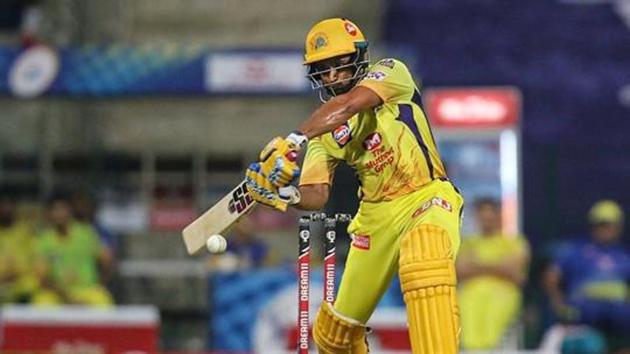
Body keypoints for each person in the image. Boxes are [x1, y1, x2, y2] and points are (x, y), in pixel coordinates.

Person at [244, 18, 464, 353]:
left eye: (338, 64)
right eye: (323, 69)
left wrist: (293, 140)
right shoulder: (322, 132)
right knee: (334, 336)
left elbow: (347, 106)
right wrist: (283, 193)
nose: (332, 76)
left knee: (426, 253)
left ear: (358, 57)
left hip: (426, 195)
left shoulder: (391, 72)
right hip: (375, 218)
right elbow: (316, 195)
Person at [543, 200, 629, 351]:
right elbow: (552, 275)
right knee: (589, 345)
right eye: (601, 224)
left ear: (618, 227)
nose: (606, 229)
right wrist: (558, 302)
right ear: (593, 226)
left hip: (619, 317)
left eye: (610, 224)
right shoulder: (576, 251)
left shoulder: (624, 256)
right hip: (584, 316)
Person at [456, 197, 530, 350]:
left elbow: (514, 271)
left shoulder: (514, 242)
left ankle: (488, 349)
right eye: (482, 216)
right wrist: (497, 265)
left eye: (490, 215)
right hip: (470, 292)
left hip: (503, 291)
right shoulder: (467, 242)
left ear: (498, 216)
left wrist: (477, 265)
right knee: (466, 309)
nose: (486, 220)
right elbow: (459, 270)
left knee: (493, 317)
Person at [32, 192, 113, 306]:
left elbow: (107, 261)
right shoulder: (43, 241)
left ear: (70, 211)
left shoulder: (86, 233)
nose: (60, 214)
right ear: (49, 214)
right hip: (57, 293)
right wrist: (65, 297)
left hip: (87, 290)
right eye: (55, 210)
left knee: (102, 301)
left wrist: (99, 284)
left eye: (63, 209)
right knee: (42, 302)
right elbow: (42, 277)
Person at [0, 191, 38, 303]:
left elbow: (32, 260)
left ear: (14, 208)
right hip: (1, 282)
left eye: (9, 206)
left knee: (31, 285)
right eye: (2, 206)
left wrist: (15, 273)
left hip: (20, 282)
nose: (5, 210)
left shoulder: (25, 232)